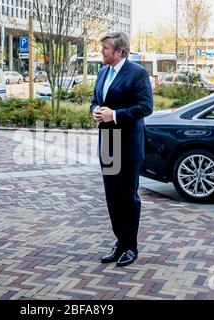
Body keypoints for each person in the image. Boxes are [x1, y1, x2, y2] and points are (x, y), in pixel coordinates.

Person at [91, 32, 153, 267]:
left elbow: (146, 107)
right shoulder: (102, 72)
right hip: (107, 143)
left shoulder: (138, 73)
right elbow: (94, 100)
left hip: (127, 144)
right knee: (112, 198)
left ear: (120, 51)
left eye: (106, 48)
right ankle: (119, 242)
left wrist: (114, 115)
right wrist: (95, 110)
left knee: (128, 197)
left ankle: (131, 246)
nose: (102, 52)